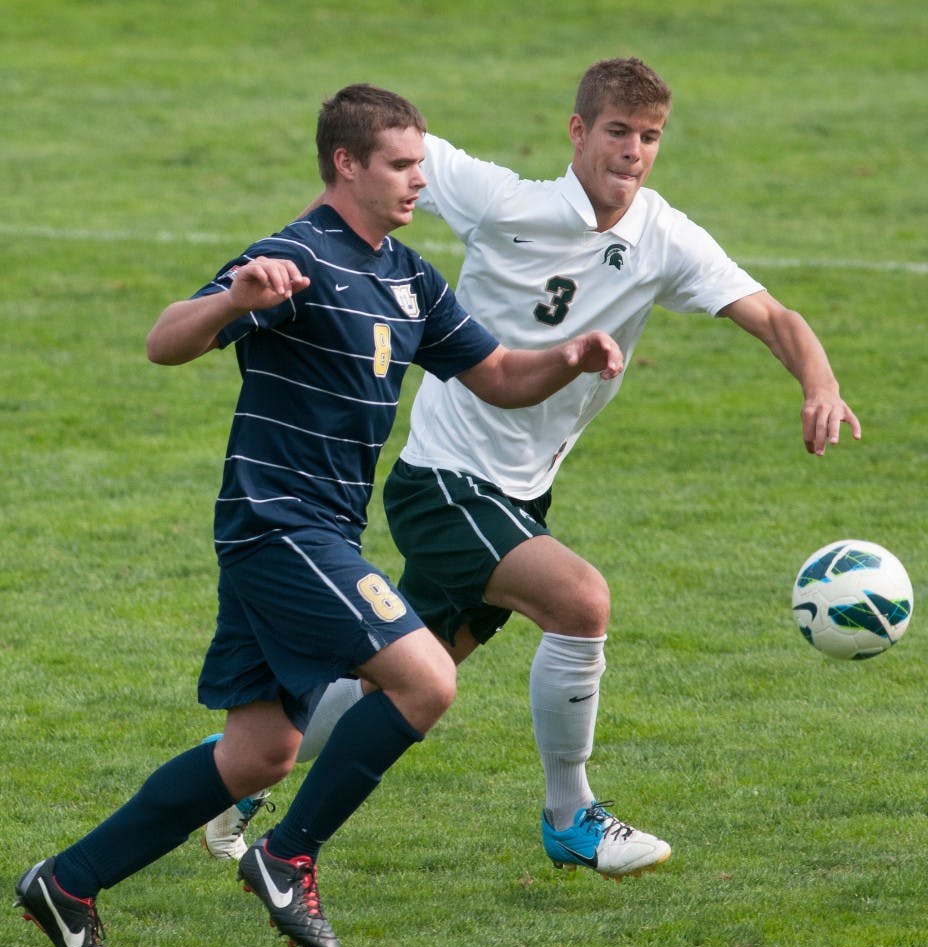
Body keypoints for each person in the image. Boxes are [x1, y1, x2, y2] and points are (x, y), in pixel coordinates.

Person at [203, 57, 862, 881]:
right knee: (581, 601)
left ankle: (235, 768)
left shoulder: (665, 236)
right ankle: (569, 815)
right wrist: (299, 267)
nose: (632, 152)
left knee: (402, 684)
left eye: (649, 137)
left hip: (520, 492)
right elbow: (350, 195)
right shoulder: (504, 199)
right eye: (617, 131)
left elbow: (772, 314)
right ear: (579, 131)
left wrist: (820, 381)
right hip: (444, 478)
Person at [13, 83, 624, 947]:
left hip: (324, 532)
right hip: (277, 525)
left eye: (421, 163)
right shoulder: (293, 259)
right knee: (426, 680)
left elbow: (495, 376)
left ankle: (65, 882)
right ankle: (288, 855)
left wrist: (567, 357)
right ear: (347, 164)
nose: (421, 181)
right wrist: (233, 300)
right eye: (401, 165)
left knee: (259, 753)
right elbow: (164, 339)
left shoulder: (409, 277)